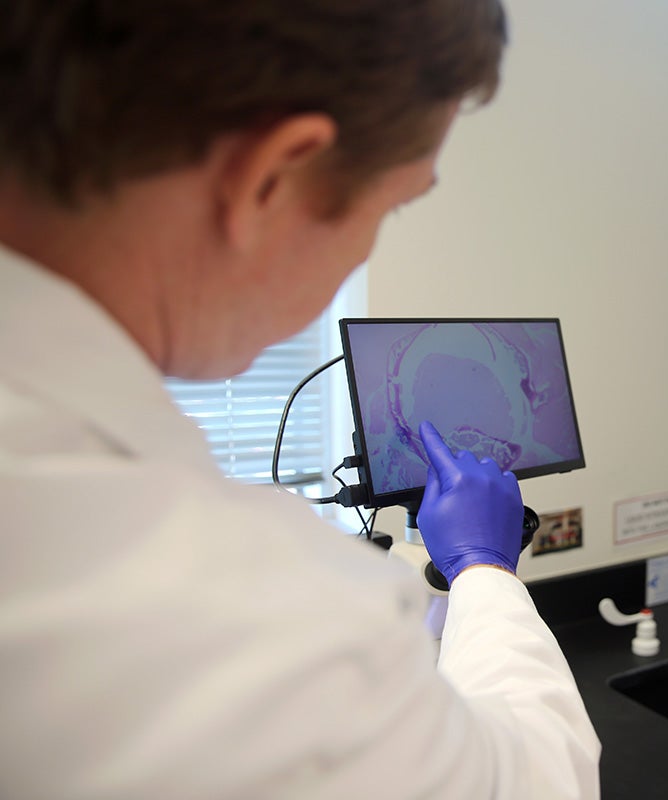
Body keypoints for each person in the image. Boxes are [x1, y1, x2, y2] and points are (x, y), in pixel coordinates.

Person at [0, 2, 600, 797]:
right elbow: (535, 779)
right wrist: (486, 570)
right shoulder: (267, 619)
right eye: (392, 205)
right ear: (274, 178)